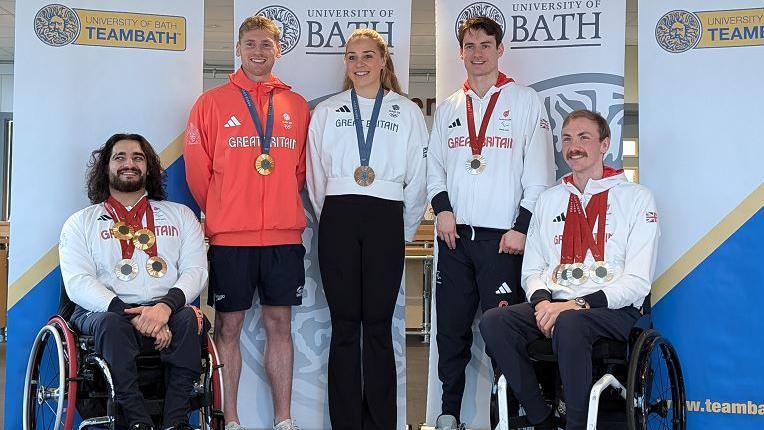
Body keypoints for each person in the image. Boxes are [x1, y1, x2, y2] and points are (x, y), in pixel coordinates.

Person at [479, 109, 660, 430]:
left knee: (571, 324)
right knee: (494, 321)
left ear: (605, 145)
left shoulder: (636, 198)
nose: (574, 146)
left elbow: (638, 281)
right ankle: (542, 419)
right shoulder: (549, 200)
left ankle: (575, 424)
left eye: (584, 137)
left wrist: (575, 305)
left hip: (612, 310)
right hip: (556, 305)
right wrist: (544, 302)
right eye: (567, 139)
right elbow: (532, 268)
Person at [426, 16, 555, 430]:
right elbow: (434, 169)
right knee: (451, 331)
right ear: (460, 52)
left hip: (504, 241)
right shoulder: (448, 106)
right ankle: (449, 414)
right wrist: (442, 209)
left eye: (485, 44)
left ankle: (507, 415)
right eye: (470, 45)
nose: (477, 53)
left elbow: (539, 174)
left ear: (501, 50)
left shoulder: (525, 101)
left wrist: (521, 226)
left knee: (504, 335)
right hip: (454, 239)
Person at [183, 15, 310, 430]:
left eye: (266, 45)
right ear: (238, 49)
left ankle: (284, 419)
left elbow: (299, 172)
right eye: (251, 44)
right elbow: (198, 175)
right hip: (230, 239)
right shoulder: (211, 103)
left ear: (278, 50)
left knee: (280, 325)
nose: (259, 52)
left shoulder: (296, 105)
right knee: (229, 326)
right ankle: (231, 420)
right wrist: (225, 209)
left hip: (282, 237)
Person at [306, 28, 428, 430]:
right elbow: (316, 178)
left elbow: (419, 178)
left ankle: (379, 422)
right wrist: (335, 220)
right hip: (339, 218)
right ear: (347, 63)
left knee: (376, 325)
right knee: (344, 324)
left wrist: (402, 230)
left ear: (382, 61)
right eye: (352, 56)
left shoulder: (406, 111)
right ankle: (345, 421)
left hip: (386, 219)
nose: (360, 64)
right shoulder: (327, 111)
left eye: (368, 56)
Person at [59, 133, 208, 430]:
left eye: (138, 158)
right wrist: (134, 314)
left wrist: (164, 309)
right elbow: (78, 282)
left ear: (149, 168)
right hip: (105, 312)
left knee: (189, 320)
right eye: (120, 157)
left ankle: (175, 421)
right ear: (106, 168)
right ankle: (138, 423)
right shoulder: (80, 222)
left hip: (166, 308)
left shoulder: (181, 216)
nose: (130, 164)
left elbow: (196, 271)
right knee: (112, 325)